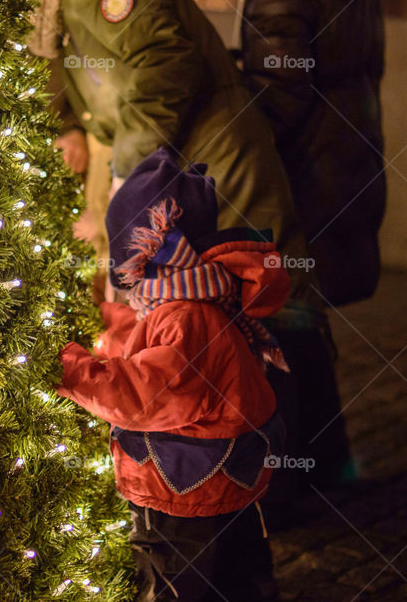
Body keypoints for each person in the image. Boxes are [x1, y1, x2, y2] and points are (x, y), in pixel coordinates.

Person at [29, 0, 352, 505]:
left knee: (258, 311)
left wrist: (129, 172)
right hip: (180, 171)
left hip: (208, 169)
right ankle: (306, 477)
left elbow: (164, 61)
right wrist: (71, 127)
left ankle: (275, 487)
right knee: (243, 316)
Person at [57, 149, 286, 601]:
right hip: (220, 483)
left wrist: (64, 366)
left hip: (182, 493)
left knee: (175, 582)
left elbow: (142, 392)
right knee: (237, 575)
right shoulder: (197, 298)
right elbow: (146, 341)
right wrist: (98, 319)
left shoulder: (186, 317)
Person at [231, 0, 387, 307]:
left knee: (284, 310)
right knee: (307, 310)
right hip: (346, 167)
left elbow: (278, 91)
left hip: (302, 179)